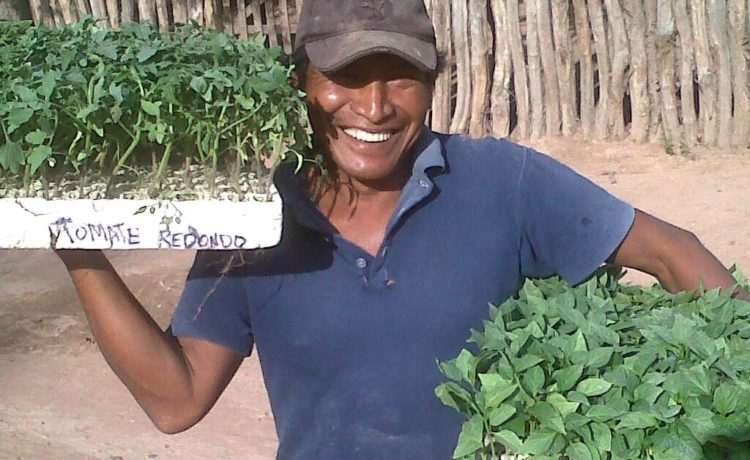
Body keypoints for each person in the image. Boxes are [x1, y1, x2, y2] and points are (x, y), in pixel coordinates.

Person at [56, 0, 748, 458]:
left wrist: (731, 384)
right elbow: (176, 402)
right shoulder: (255, 221)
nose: (376, 106)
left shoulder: (504, 182)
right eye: (346, 76)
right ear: (300, 81)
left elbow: (671, 251)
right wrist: (71, 238)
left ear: (433, 83)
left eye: (402, 77)